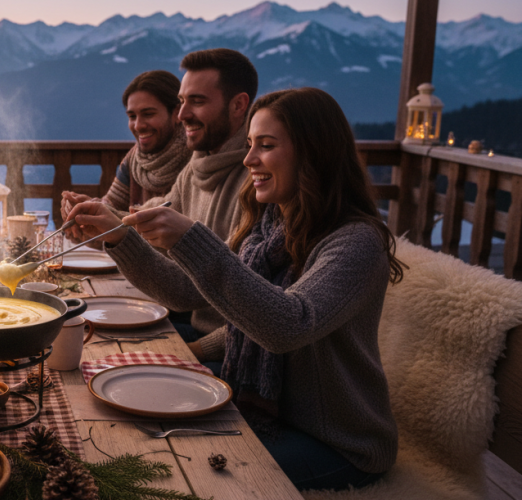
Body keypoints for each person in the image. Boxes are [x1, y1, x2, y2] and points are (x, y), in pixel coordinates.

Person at [67, 87, 403, 490]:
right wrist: (119, 238)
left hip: (334, 441)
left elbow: (288, 326)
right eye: (249, 144)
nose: (249, 160)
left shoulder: (355, 243)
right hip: (267, 401)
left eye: (266, 145)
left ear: (313, 153)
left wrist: (190, 239)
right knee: (125, 411)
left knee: (169, 464)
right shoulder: (268, 225)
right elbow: (185, 293)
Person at [67, 48, 258, 343]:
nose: (182, 115)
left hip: (225, 347)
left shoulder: (257, 181)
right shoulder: (197, 166)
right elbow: (154, 214)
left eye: (197, 101)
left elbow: (245, 306)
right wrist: (105, 219)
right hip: (195, 326)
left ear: (238, 105)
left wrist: (197, 352)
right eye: (182, 102)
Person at [60, 70, 191, 217]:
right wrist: (90, 209)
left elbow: (169, 224)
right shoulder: (134, 161)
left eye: (148, 114)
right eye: (132, 116)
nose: (138, 125)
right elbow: (112, 205)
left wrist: (103, 215)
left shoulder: (196, 158)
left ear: (177, 113)